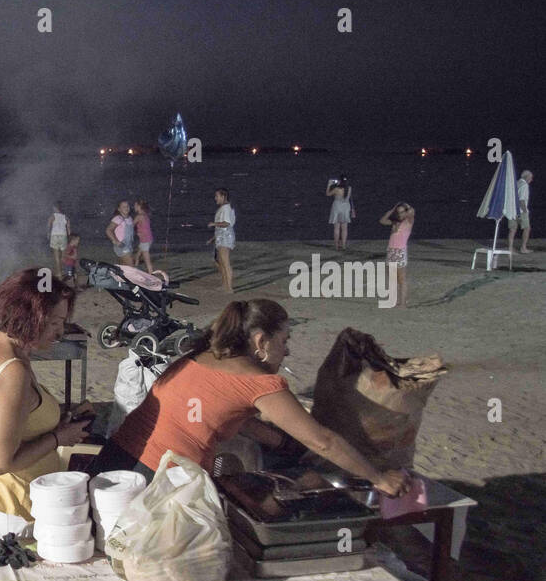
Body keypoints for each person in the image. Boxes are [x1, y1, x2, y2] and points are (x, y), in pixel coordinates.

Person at [88, 298, 412, 497]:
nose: (288, 349)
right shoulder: (260, 382)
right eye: (284, 339)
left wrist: (280, 442)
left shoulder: (202, 356)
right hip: (156, 483)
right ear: (260, 340)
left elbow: (217, 415)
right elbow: (323, 441)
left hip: (114, 463)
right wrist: (379, 477)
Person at [0, 270, 93, 541]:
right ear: (31, 318)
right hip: (9, 509)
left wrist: (55, 422)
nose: (60, 332)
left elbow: (2, 420)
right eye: (55, 322)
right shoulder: (14, 371)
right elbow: (1, 463)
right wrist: (60, 437)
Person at [380, 202, 415, 308]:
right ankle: (394, 301)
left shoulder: (408, 221)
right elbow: (382, 221)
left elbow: (412, 211)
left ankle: (403, 303)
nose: (400, 214)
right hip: (391, 251)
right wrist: (392, 210)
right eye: (398, 212)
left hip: (400, 252)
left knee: (401, 279)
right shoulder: (395, 222)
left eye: (401, 212)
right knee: (392, 278)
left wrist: (405, 206)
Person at [208, 188, 236, 293]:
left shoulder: (226, 208)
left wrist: (213, 224)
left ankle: (229, 287)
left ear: (223, 197)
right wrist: (213, 239)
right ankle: (224, 285)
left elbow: (226, 223)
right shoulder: (224, 208)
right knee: (219, 261)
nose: (215, 198)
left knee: (225, 262)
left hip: (225, 238)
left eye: (217, 196)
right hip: (221, 237)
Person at [326, 174, 355, 250]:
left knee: (336, 228)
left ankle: (336, 246)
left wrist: (329, 185)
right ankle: (344, 246)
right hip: (346, 207)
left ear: (340, 181)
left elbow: (328, 194)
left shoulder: (336, 189)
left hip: (337, 207)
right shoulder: (349, 188)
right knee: (345, 228)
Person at [510, 169, 532, 253]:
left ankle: (510, 248)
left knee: (512, 229)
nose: (531, 180)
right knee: (527, 228)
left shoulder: (516, 183)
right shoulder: (524, 185)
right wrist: (525, 210)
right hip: (521, 211)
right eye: (530, 178)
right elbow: (522, 199)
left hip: (512, 210)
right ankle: (523, 248)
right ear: (527, 177)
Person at [133, 200, 155, 273]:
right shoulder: (145, 214)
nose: (134, 207)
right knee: (137, 255)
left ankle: (151, 275)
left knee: (147, 261)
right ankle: (135, 269)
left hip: (145, 240)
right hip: (149, 239)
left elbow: (130, 226)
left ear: (139, 207)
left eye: (135, 205)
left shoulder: (139, 216)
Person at [47, 202, 69, 272]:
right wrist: (69, 237)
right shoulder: (65, 217)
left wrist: (48, 233)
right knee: (63, 256)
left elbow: (48, 225)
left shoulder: (52, 216)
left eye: (53, 207)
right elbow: (69, 229)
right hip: (63, 236)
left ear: (55, 208)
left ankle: (59, 273)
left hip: (54, 236)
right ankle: (64, 271)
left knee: (57, 258)